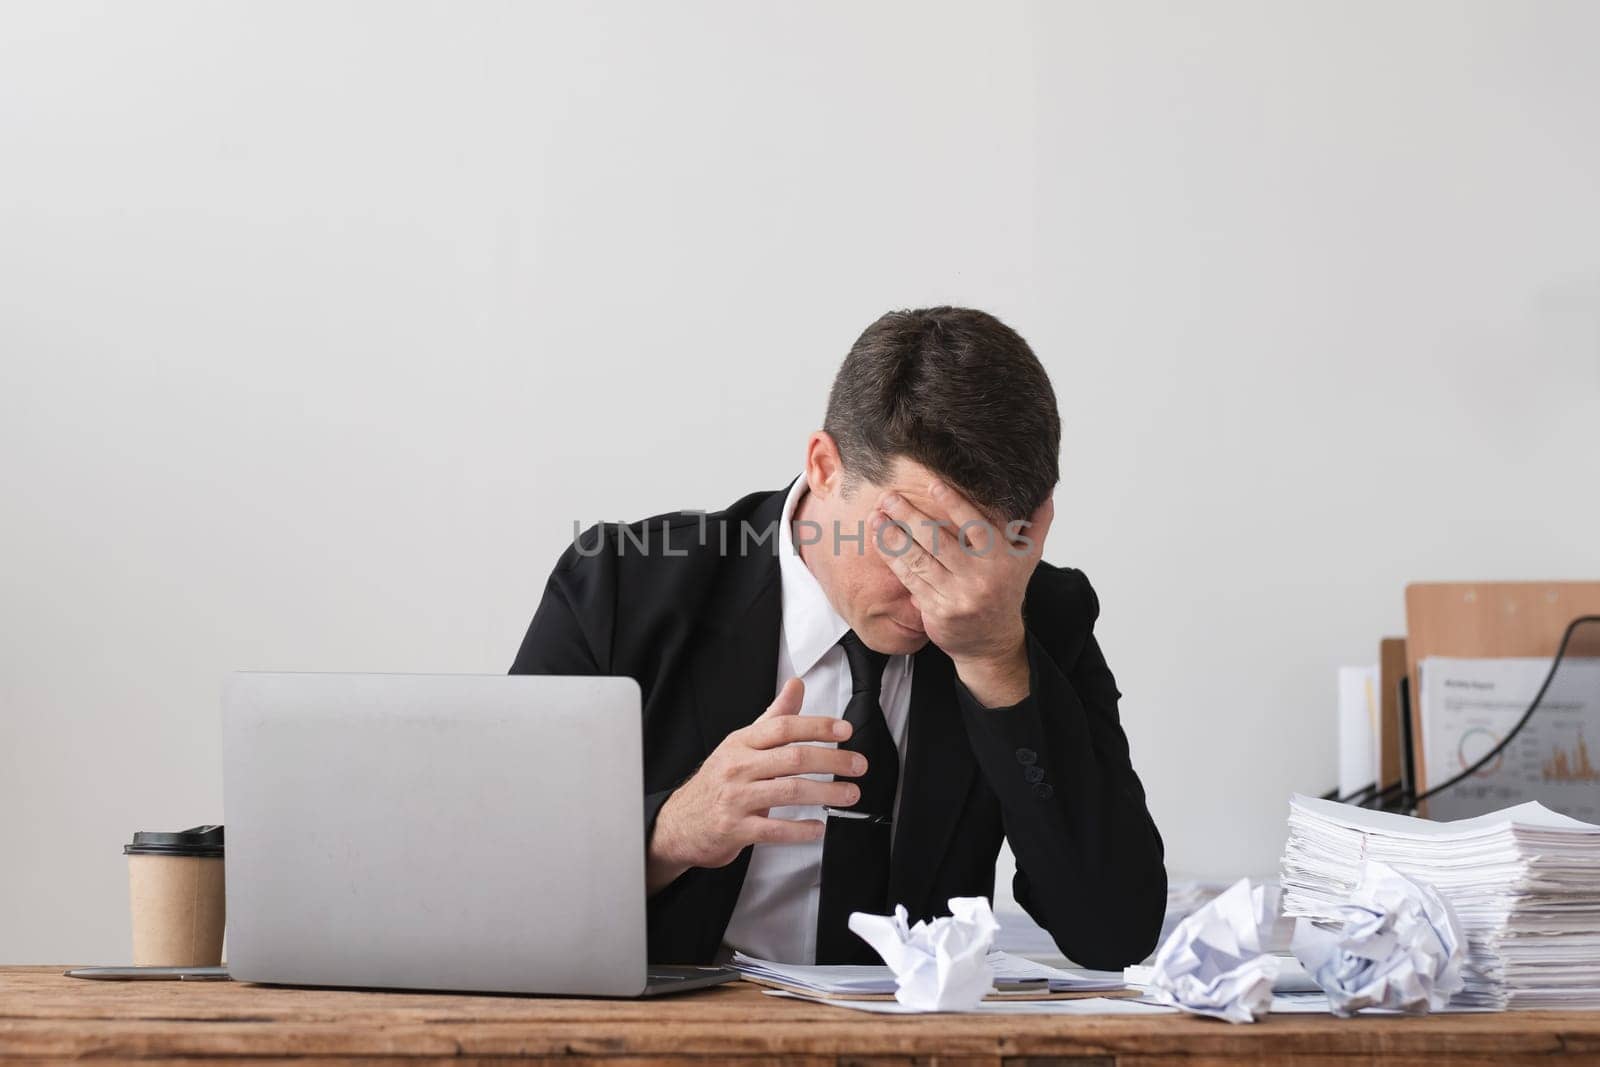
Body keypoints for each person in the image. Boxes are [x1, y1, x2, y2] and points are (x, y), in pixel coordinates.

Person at [510, 306, 1165, 967]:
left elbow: (1114, 931)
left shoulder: (1031, 618)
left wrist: (997, 662)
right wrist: (668, 831)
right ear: (825, 465)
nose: (936, 587)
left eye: (975, 549)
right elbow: (499, 869)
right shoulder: (620, 589)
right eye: (906, 536)